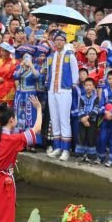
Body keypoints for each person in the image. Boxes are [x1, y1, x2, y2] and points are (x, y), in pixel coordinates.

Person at [46, 30, 79, 161]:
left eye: (61, 40)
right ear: (53, 42)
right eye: (56, 40)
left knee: (64, 120)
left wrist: (72, 87)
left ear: (65, 41)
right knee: (54, 119)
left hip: (64, 91)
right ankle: (57, 147)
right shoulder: (51, 56)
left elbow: (75, 73)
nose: (59, 42)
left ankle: (66, 150)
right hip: (52, 91)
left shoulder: (70, 55)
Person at [13, 45, 40, 146]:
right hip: (20, 94)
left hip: (30, 94)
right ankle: (19, 140)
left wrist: (31, 65)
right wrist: (21, 67)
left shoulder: (36, 67)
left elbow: (37, 76)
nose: (26, 59)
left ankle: (31, 142)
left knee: (30, 117)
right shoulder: (19, 67)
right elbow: (15, 76)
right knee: (19, 116)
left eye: (28, 57)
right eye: (24, 57)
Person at [76, 78, 99, 163]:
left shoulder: (96, 98)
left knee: (91, 138)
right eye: (86, 85)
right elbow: (80, 108)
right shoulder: (81, 97)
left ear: (93, 87)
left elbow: (96, 109)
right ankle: (80, 155)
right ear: (84, 86)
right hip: (82, 121)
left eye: (90, 85)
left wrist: (87, 117)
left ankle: (91, 156)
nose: (88, 87)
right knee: (81, 137)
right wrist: (83, 119)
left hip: (91, 121)